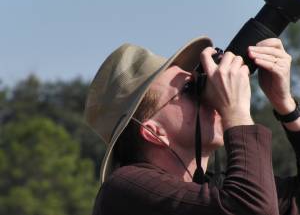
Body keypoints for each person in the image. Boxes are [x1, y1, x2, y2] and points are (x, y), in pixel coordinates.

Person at [84, 36, 300, 215]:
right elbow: (252, 209)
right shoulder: (125, 190)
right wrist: (236, 112)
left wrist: (287, 108)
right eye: (189, 89)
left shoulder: (216, 190)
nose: (206, 96)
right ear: (153, 131)